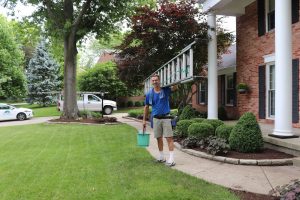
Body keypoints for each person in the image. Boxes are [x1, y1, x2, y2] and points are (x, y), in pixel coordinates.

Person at [143, 74, 177, 167]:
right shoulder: (149, 93)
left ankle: (171, 158)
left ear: (159, 80)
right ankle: (162, 156)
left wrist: (174, 78)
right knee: (158, 138)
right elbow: (146, 107)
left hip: (166, 118)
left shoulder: (165, 90)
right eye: (153, 80)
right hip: (156, 118)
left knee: (169, 138)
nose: (154, 82)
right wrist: (144, 120)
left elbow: (175, 88)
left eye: (156, 80)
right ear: (151, 82)